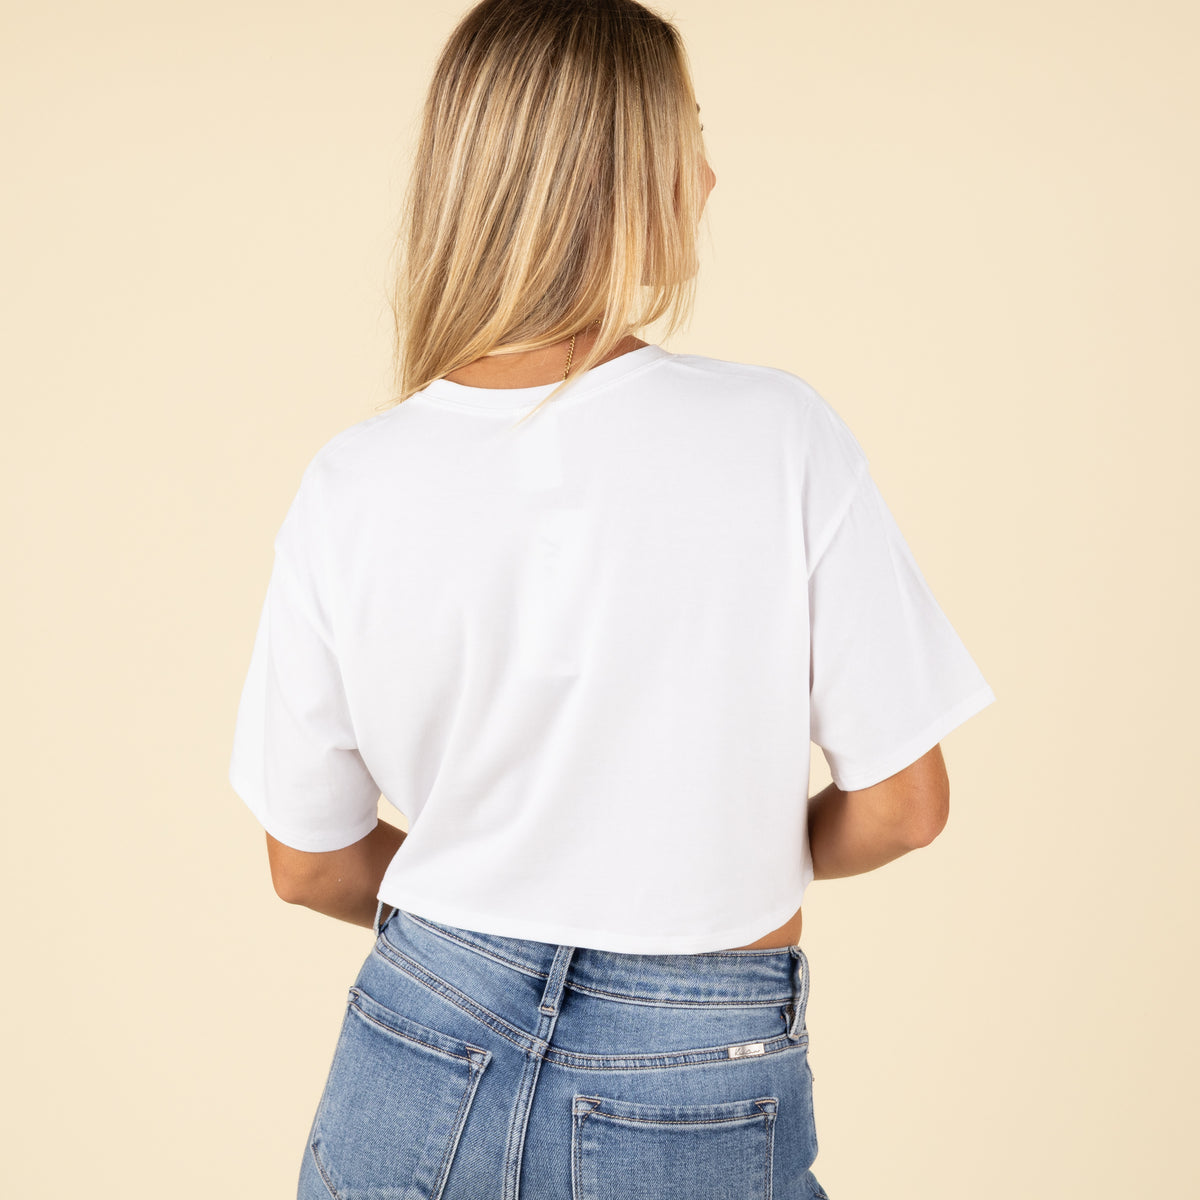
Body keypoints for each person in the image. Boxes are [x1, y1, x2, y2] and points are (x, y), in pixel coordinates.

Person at [227, 2, 995, 1197]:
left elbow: (307, 860)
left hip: (416, 1042)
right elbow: (903, 807)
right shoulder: (776, 435)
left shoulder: (353, 480)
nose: (709, 172)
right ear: (621, 169)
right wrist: (722, 851)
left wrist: (494, 891)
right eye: (687, 133)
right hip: (692, 1068)